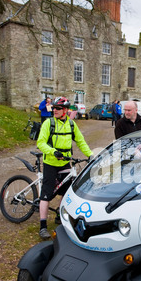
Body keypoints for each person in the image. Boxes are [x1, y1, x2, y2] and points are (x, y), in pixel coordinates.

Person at [37, 96, 93, 239]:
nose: (54, 110)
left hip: (65, 163)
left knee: (66, 192)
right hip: (50, 162)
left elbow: (81, 142)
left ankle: (58, 215)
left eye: (58, 108)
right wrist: (52, 152)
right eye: (54, 107)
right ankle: (43, 226)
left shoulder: (72, 125)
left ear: (66, 110)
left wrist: (91, 155)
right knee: (46, 194)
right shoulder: (48, 124)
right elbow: (41, 143)